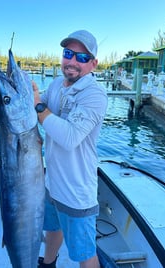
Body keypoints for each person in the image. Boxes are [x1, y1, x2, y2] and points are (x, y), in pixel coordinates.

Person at [33, 30, 108, 268]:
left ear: (93, 63)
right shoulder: (56, 85)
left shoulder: (94, 94)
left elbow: (69, 136)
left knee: (85, 254)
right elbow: (37, 102)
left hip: (76, 193)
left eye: (82, 57)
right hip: (51, 183)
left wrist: (37, 106)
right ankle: (48, 262)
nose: (73, 62)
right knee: (53, 228)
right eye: (68, 54)